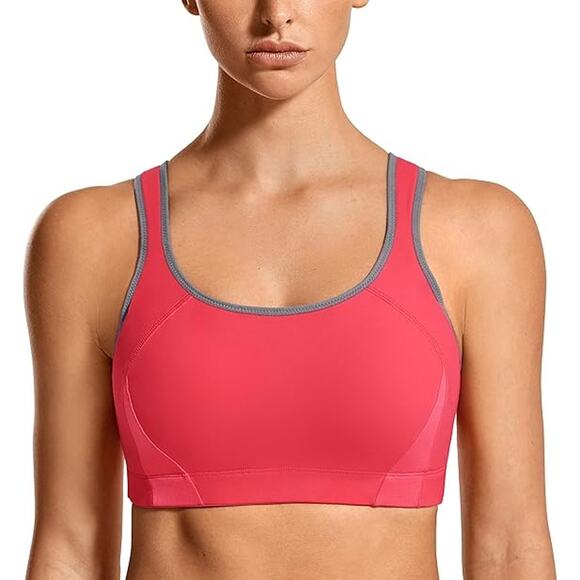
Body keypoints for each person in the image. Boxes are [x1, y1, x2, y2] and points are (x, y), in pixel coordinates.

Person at [24, 1, 556, 579]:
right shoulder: (93, 238)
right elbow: (70, 548)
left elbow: (510, 548)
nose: (276, 13)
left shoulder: (477, 233)